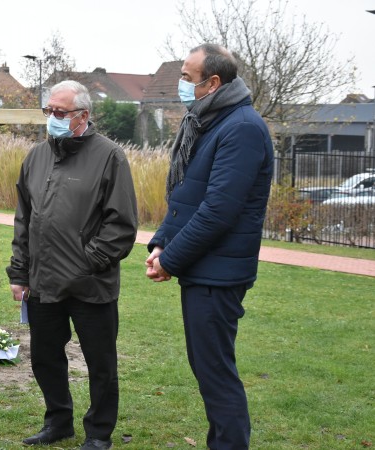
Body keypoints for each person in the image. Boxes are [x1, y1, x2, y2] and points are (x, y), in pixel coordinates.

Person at [145, 44, 274, 449]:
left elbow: (219, 210)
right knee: (209, 369)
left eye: (186, 76)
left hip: (219, 273)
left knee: (216, 374)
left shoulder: (242, 128)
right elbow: (186, 196)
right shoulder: (208, 121)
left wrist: (172, 260)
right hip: (204, 268)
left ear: (212, 82)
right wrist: (161, 243)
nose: (181, 83)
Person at [7, 80, 138, 450]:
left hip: (90, 284)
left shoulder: (110, 156)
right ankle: (58, 421)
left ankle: (99, 432)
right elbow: (24, 219)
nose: (52, 118)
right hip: (43, 282)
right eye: (48, 111)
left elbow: (122, 223)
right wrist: (19, 272)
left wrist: (89, 261)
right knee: (45, 358)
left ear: (82, 116)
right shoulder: (35, 157)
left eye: (60, 112)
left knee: (100, 363)